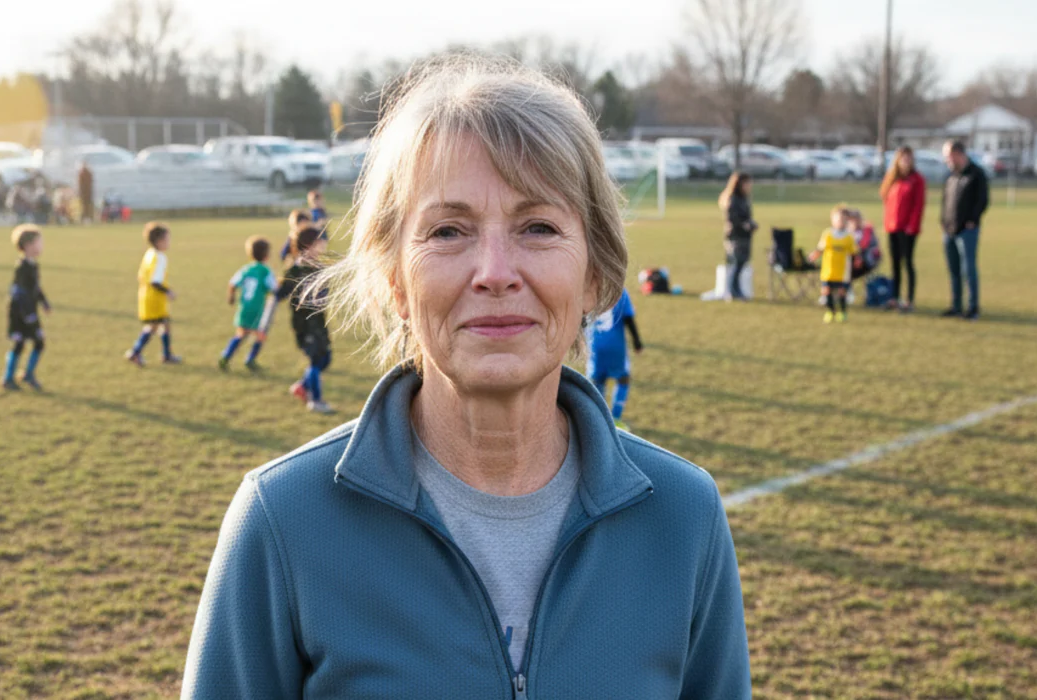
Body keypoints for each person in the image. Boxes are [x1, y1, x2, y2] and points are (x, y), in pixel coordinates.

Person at [181, 55, 750, 700]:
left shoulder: (684, 515)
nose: (495, 272)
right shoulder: (285, 520)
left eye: (539, 227)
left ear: (596, 274)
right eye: (448, 231)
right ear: (394, 279)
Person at [272, 226, 333, 414]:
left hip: (319, 322)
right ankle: (316, 400)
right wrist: (274, 288)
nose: (323, 245)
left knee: (326, 358)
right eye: (320, 242)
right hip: (304, 325)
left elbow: (325, 293)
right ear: (308, 245)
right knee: (316, 360)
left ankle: (302, 386)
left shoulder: (319, 267)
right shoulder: (295, 270)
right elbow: (280, 294)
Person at [940, 140, 989, 320]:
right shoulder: (951, 175)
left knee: (968, 269)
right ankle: (956, 306)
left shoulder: (976, 174)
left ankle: (972, 307)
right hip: (949, 230)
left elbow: (983, 200)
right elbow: (945, 200)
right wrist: (943, 221)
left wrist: (972, 220)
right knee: (953, 270)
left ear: (958, 154)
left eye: (949, 156)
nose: (947, 160)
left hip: (967, 231)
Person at [587, 288, 644, 430]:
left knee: (598, 381)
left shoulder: (589, 288)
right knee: (623, 379)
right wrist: (637, 341)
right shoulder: (619, 291)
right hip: (615, 345)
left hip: (594, 345)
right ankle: (616, 419)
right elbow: (628, 318)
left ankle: (598, 419)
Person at [125, 222, 181, 367]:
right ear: (159, 241)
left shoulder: (149, 254)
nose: (169, 242)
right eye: (167, 239)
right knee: (154, 326)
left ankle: (166, 354)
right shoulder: (160, 258)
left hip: (145, 295)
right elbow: (155, 281)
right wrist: (168, 291)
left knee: (164, 325)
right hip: (155, 298)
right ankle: (136, 352)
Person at [3, 225, 51, 391]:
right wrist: (27, 315)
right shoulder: (22, 267)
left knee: (38, 343)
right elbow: (20, 294)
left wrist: (44, 302)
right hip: (20, 312)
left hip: (29, 311)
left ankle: (27, 374)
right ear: (28, 245)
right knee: (20, 344)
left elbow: (35, 288)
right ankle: (8, 378)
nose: (42, 246)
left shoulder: (33, 265)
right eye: (39, 243)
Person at [219, 236, 278, 372]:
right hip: (257, 309)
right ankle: (250, 360)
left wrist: (231, 297)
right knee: (260, 334)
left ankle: (226, 356)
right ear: (267, 255)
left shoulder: (246, 269)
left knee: (241, 333)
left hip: (244, 307)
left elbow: (232, 283)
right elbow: (274, 288)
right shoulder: (265, 271)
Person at [880, 145, 926, 311]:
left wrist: (912, 226)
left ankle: (909, 300)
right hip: (893, 226)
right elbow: (885, 197)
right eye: (902, 158)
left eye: (908, 158)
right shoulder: (893, 177)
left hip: (908, 229)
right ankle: (894, 297)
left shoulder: (917, 179)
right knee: (895, 263)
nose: (905, 162)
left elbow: (918, 205)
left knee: (908, 262)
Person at [809, 205, 860, 324]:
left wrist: (857, 261)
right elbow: (820, 248)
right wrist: (814, 255)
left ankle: (842, 312)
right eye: (838, 219)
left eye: (843, 219)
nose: (840, 222)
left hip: (842, 271)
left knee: (842, 292)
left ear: (847, 221)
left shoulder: (849, 237)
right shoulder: (827, 234)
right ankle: (830, 312)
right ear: (832, 220)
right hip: (828, 270)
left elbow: (854, 252)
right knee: (826, 291)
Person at [719, 171, 756, 300]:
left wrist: (751, 224)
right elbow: (732, 218)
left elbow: (746, 215)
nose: (749, 186)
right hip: (736, 236)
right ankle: (733, 291)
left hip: (745, 236)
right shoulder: (733, 199)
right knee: (736, 263)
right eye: (747, 183)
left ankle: (736, 290)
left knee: (741, 263)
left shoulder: (743, 198)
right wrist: (743, 224)